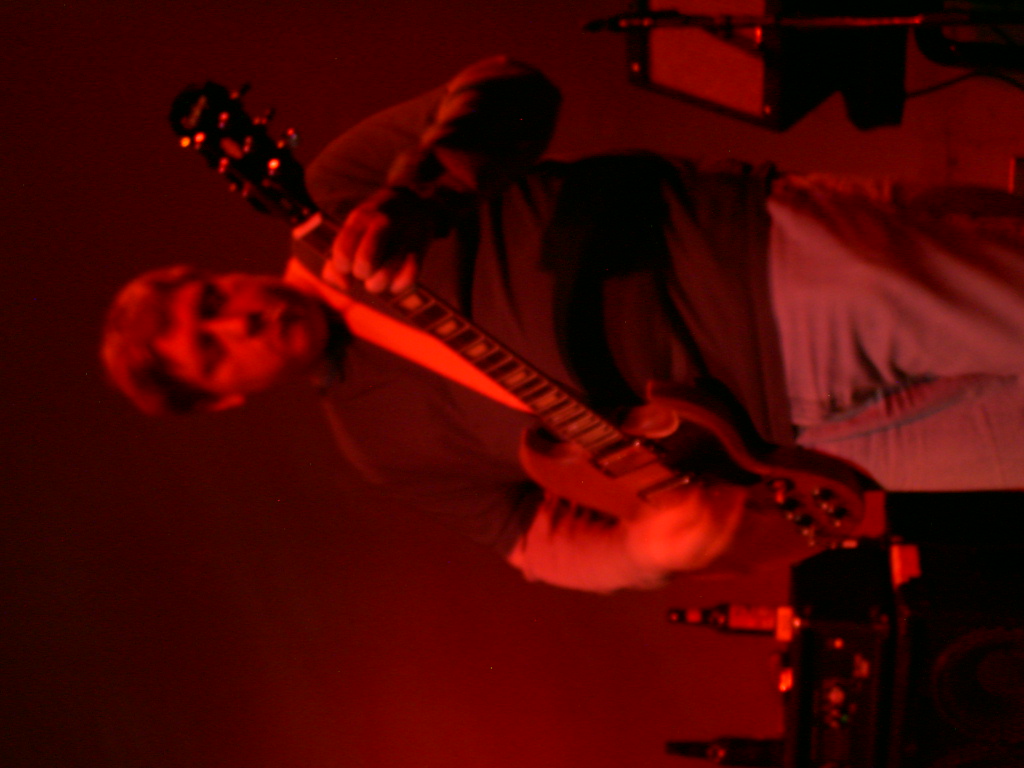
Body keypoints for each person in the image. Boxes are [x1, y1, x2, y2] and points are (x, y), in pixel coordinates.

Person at [102, 57, 1024, 592]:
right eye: (212, 351)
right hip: (808, 449)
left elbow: (511, 89)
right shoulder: (375, 444)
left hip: (765, 276)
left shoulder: (340, 185)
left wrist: (419, 196)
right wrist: (641, 552)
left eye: (210, 301)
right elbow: (531, 540)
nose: (239, 322)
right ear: (223, 400)